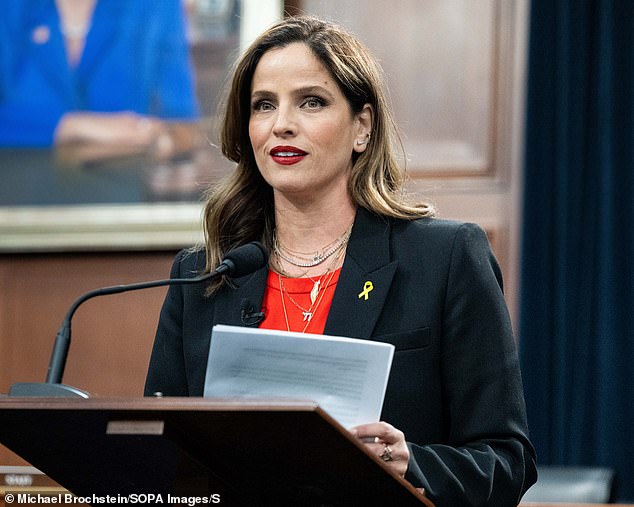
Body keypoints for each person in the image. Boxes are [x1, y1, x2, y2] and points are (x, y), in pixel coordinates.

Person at [145, 16, 537, 506]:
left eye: (311, 102)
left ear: (362, 127)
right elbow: (157, 459)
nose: (281, 123)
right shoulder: (205, 275)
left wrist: (410, 461)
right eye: (264, 105)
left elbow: (505, 461)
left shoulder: (445, 259)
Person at [0, 0, 199, 162]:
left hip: (122, 195)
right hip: (14, 198)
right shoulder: (9, 9)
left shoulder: (157, 7)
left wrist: (159, 139)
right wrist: (69, 126)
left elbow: (181, 121)